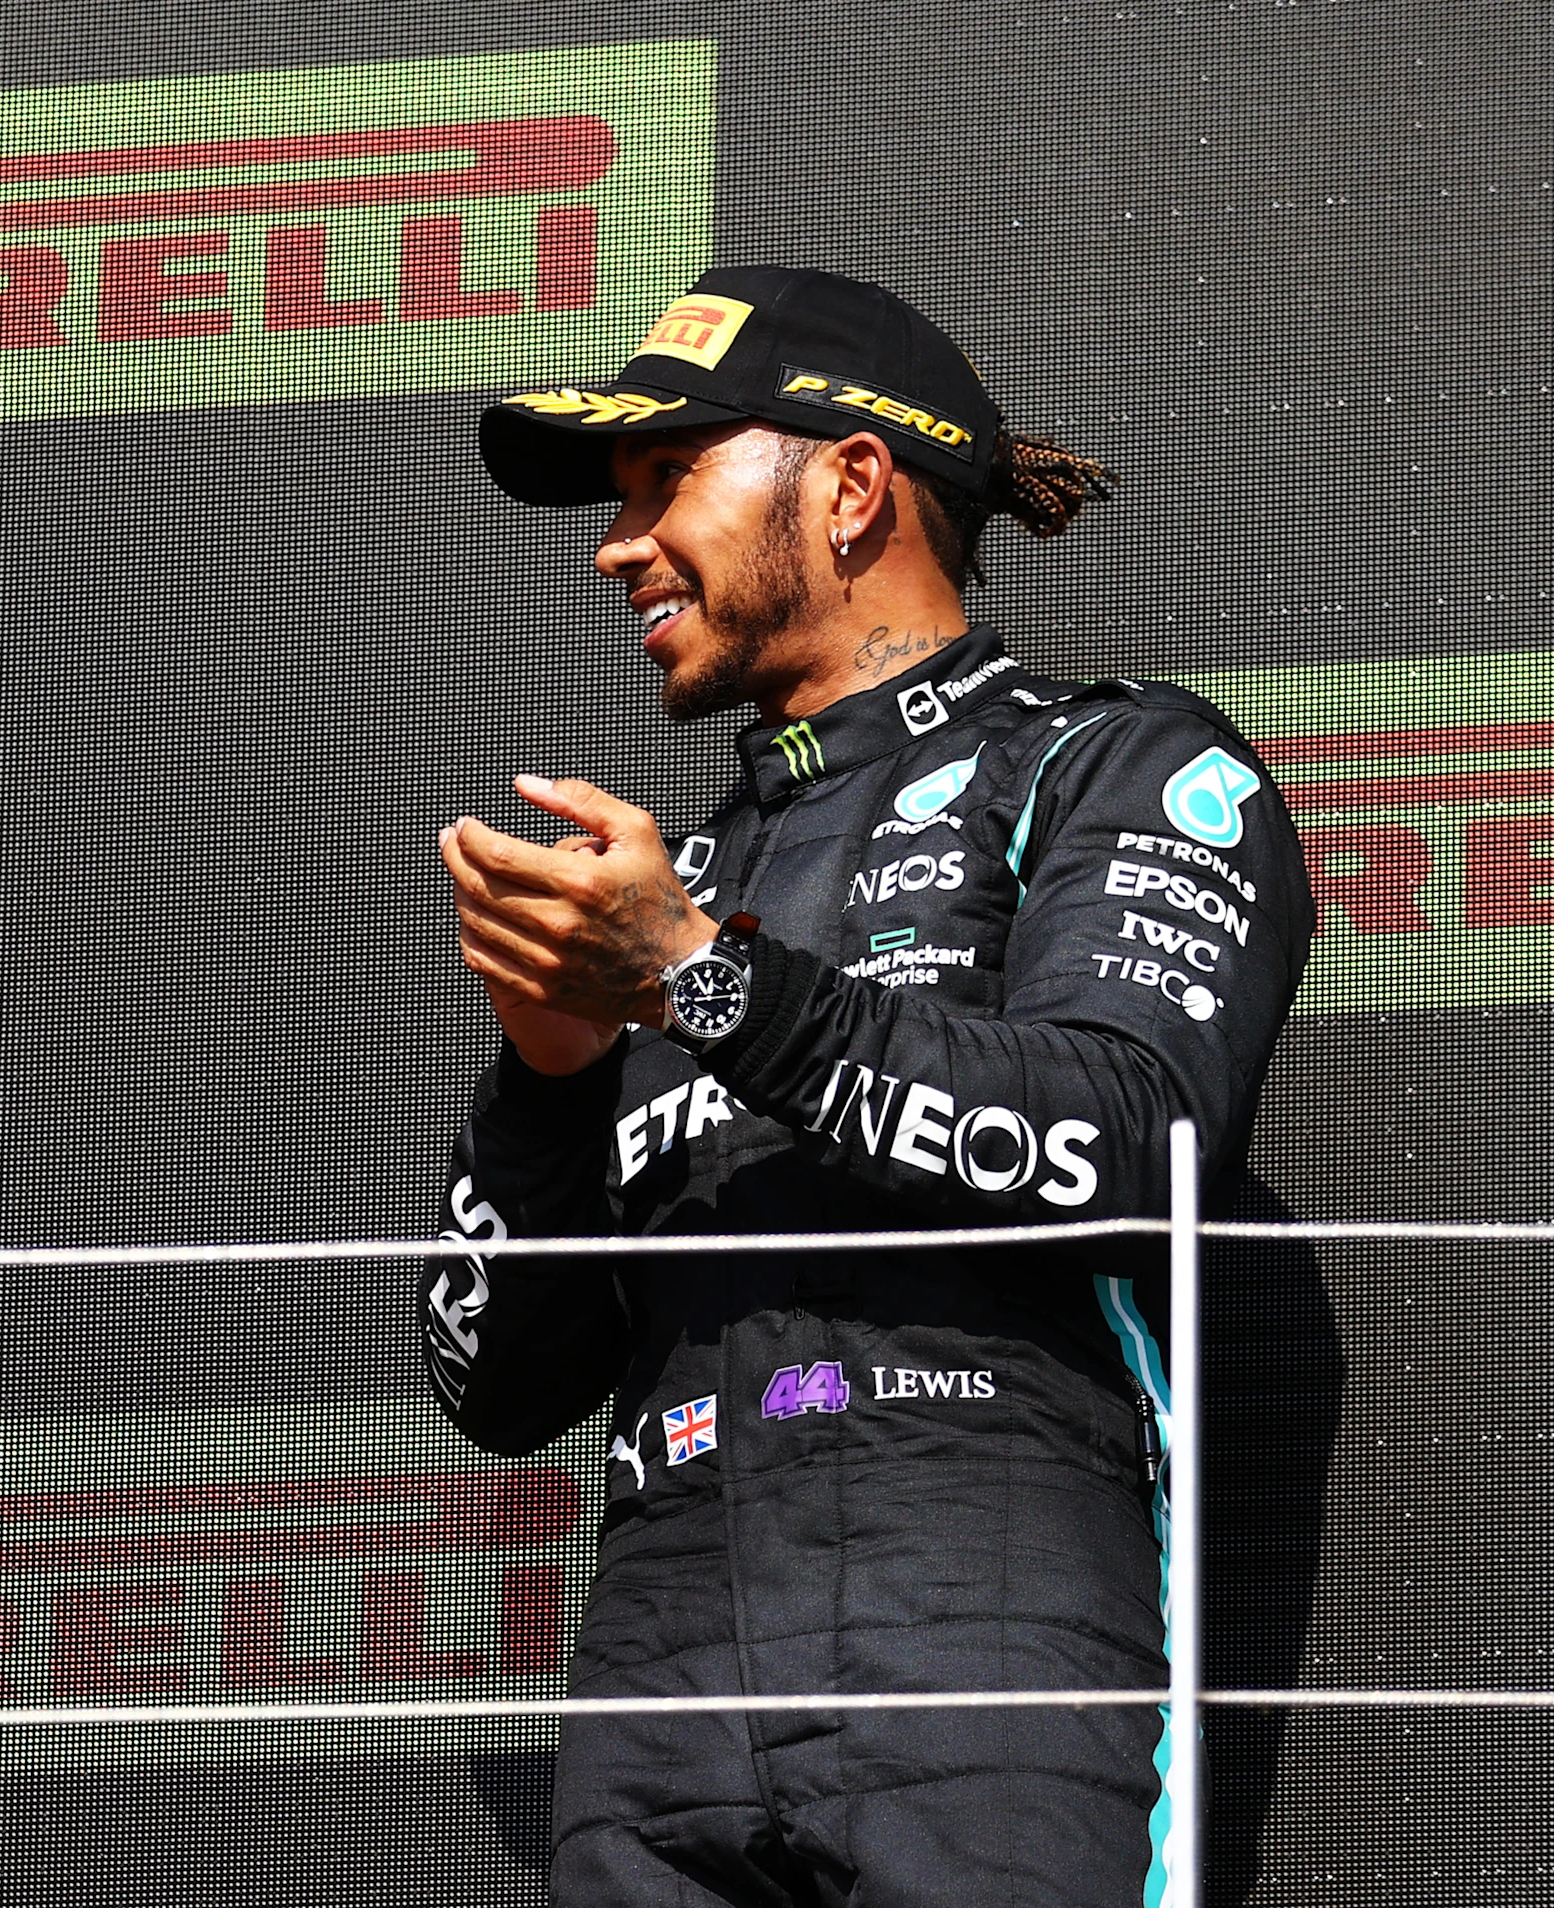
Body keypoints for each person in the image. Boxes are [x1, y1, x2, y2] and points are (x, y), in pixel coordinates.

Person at [419, 266, 1312, 1905]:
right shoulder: (671, 875)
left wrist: (706, 984)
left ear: (848, 484)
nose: (616, 546)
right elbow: (494, 1381)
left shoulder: (1109, 761)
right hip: (654, 1670)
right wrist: (547, 1080)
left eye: (665, 483)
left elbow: (1133, 1136)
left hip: (994, 1609)